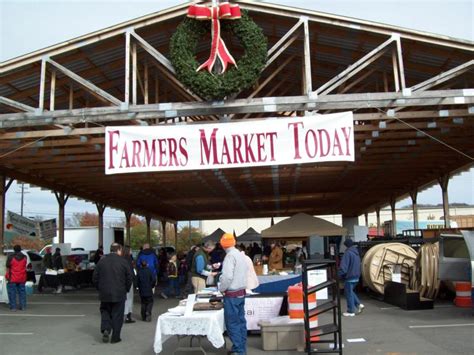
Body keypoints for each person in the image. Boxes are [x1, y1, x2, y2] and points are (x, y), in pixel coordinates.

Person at [93, 243, 132, 344]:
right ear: (119, 250)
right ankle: (115, 337)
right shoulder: (123, 262)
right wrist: (126, 289)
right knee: (117, 314)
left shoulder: (102, 262)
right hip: (119, 292)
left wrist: (99, 288)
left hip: (104, 293)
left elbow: (95, 277)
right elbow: (129, 277)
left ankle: (106, 328)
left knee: (105, 311)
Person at [218, 233, 248, 355]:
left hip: (232, 294)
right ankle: (241, 348)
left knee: (233, 324)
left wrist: (221, 288)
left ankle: (239, 350)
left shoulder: (229, 257)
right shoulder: (240, 255)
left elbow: (227, 277)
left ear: (222, 245)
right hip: (241, 292)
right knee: (241, 322)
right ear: (234, 242)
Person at [338, 239, 364, 317]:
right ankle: (359, 304)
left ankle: (351, 311)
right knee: (350, 291)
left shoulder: (348, 253)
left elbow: (343, 268)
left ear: (346, 245)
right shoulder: (356, 253)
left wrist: (338, 275)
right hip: (356, 275)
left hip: (350, 276)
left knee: (348, 293)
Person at [5, 245, 28, 311]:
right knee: (22, 292)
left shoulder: (10, 257)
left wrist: (7, 276)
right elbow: (24, 266)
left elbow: (7, 266)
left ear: (14, 250)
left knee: (12, 292)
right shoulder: (25, 257)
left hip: (12, 277)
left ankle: (13, 307)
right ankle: (23, 306)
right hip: (22, 277)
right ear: (20, 249)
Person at [123, 246, 136, 323]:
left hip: (122, 282)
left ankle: (125, 315)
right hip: (129, 281)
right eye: (131, 250)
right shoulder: (129, 260)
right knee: (129, 299)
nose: (131, 251)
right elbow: (131, 272)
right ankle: (128, 316)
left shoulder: (122, 259)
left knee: (125, 299)